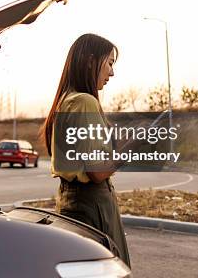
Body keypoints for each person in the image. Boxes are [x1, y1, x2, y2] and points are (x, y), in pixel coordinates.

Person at [40, 33, 131, 268]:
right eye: (110, 63)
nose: (112, 72)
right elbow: (97, 172)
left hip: (74, 201)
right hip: (92, 203)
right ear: (91, 60)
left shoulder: (66, 100)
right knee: (108, 269)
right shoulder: (84, 102)